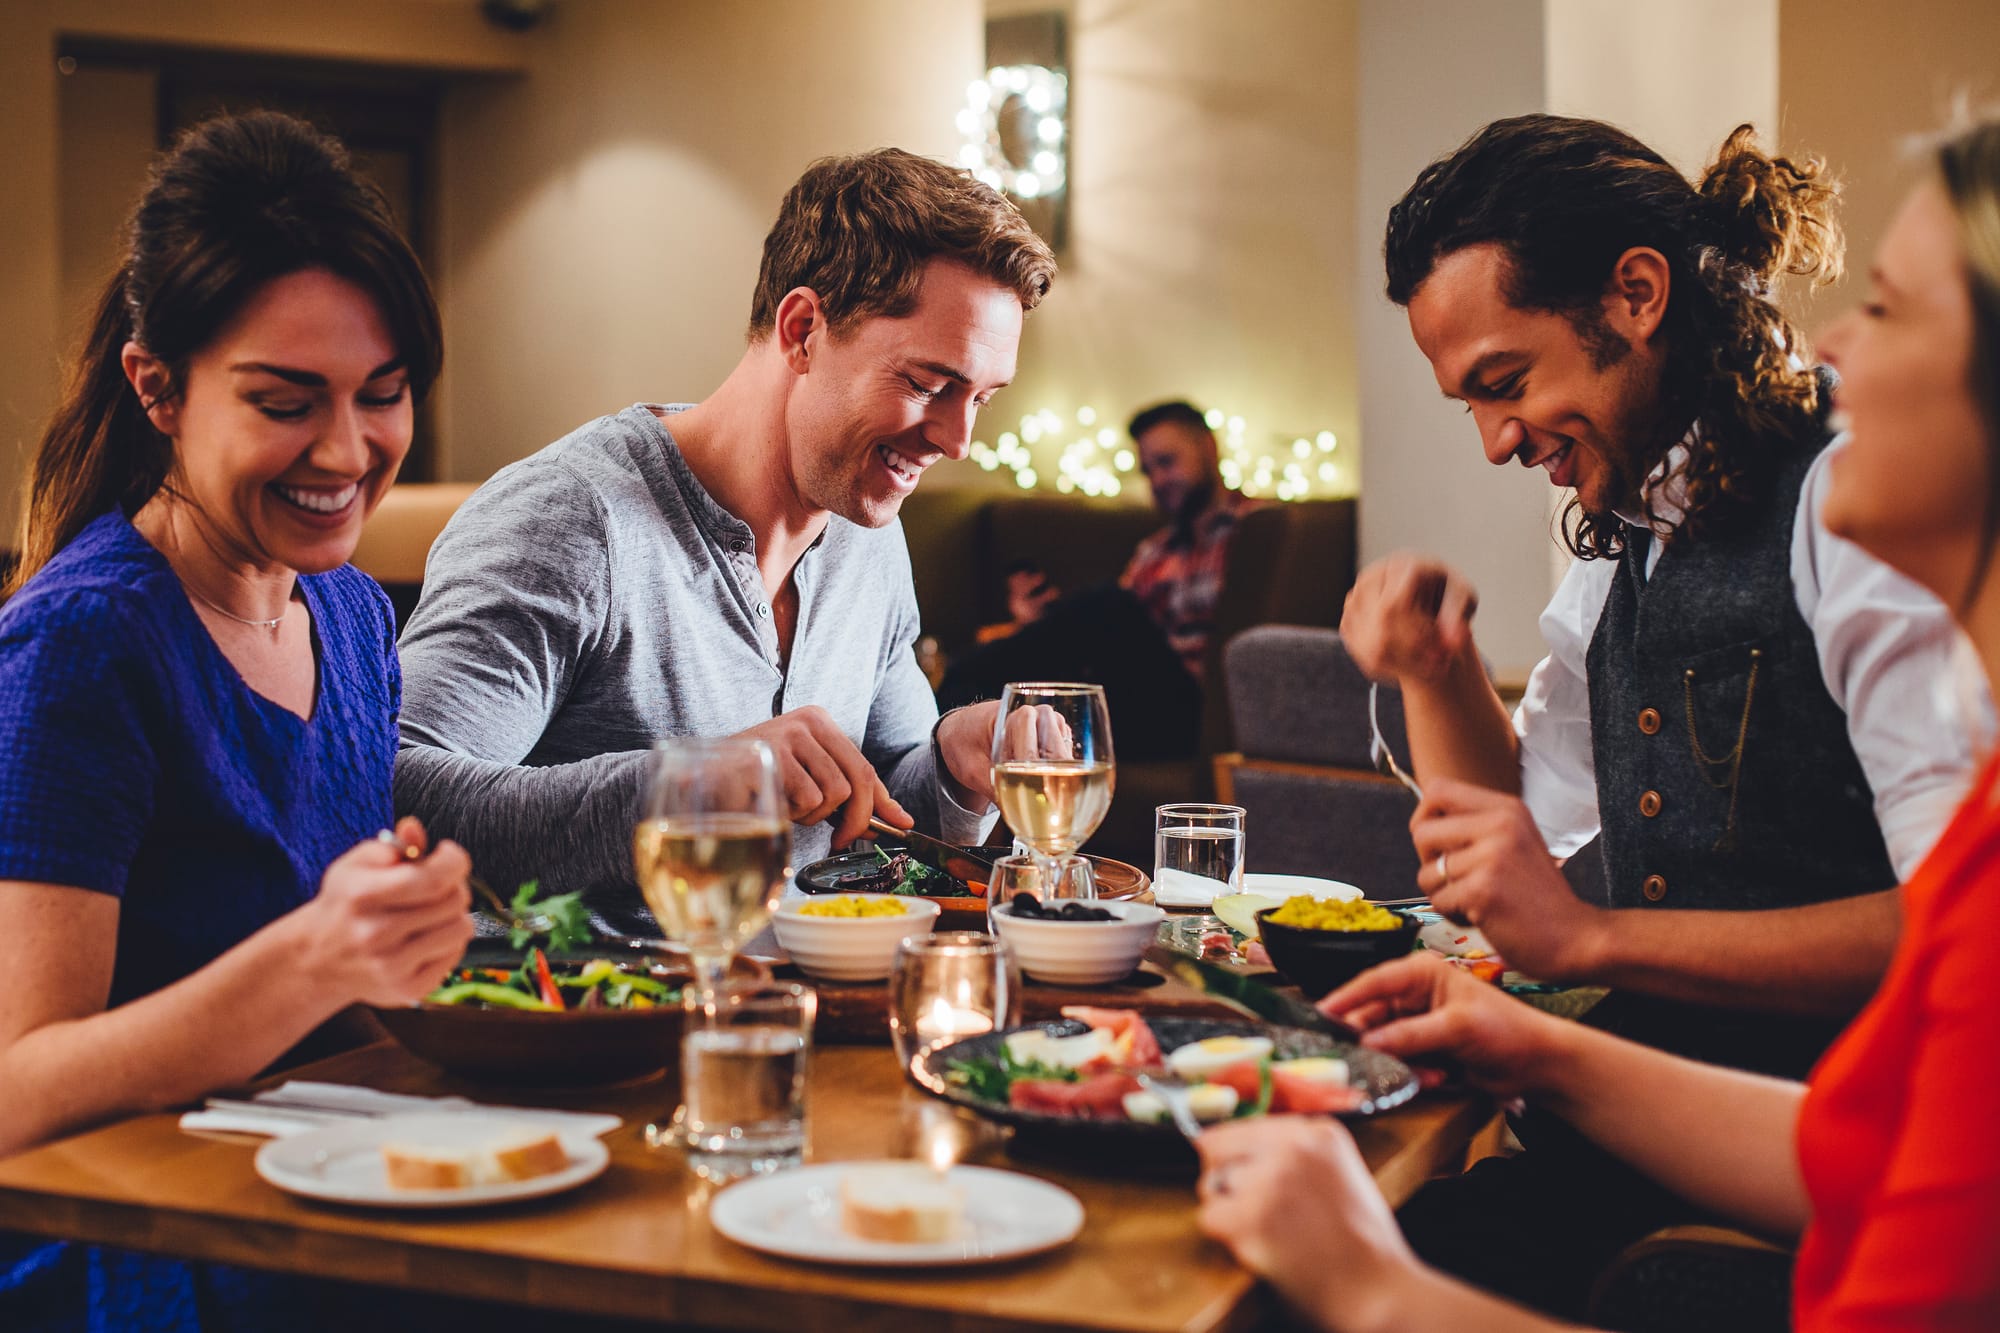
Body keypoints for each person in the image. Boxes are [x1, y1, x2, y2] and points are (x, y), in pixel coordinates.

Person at [1194, 113, 2000, 1333]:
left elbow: (1943, 938)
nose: (1493, 441)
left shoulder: (1847, 510)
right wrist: (1433, 672)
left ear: (1635, 294)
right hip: (1651, 1122)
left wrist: (1592, 945)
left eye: (1504, 383)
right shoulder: (1626, 536)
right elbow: (1516, 850)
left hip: (1778, 1149)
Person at [0, 112, 473, 1328]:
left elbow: (343, 1003)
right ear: (156, 387)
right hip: (139, 1254)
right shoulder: (87, 642)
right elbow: (17, 1089)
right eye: (283, 402)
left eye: (383, 395)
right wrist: (320, 956)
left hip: (324, 1198)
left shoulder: (350, 612)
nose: (347, 450)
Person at [393, 150, 1057, 933]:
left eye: (980, 398)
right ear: (803, 330)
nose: (957, 440)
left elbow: (882, 822)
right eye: (926, 385)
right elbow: (397, 796)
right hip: (590, 1002)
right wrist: (697, 785)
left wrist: (954, 761)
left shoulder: (866, 529)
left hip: (800, 996)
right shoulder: (572, 517)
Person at [936, 400, 1252, 760]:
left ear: (1208, 448)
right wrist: (1040, 623)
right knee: (1077, 647)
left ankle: (955, 686)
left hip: (1199, 711)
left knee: (1107, 605)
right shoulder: (1155, 550)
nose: (1158, 481)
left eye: (1166, 462)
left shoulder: (1256, 531)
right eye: (1148, 471)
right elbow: (1114, 643)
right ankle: (964, 707)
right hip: (1137, 700)